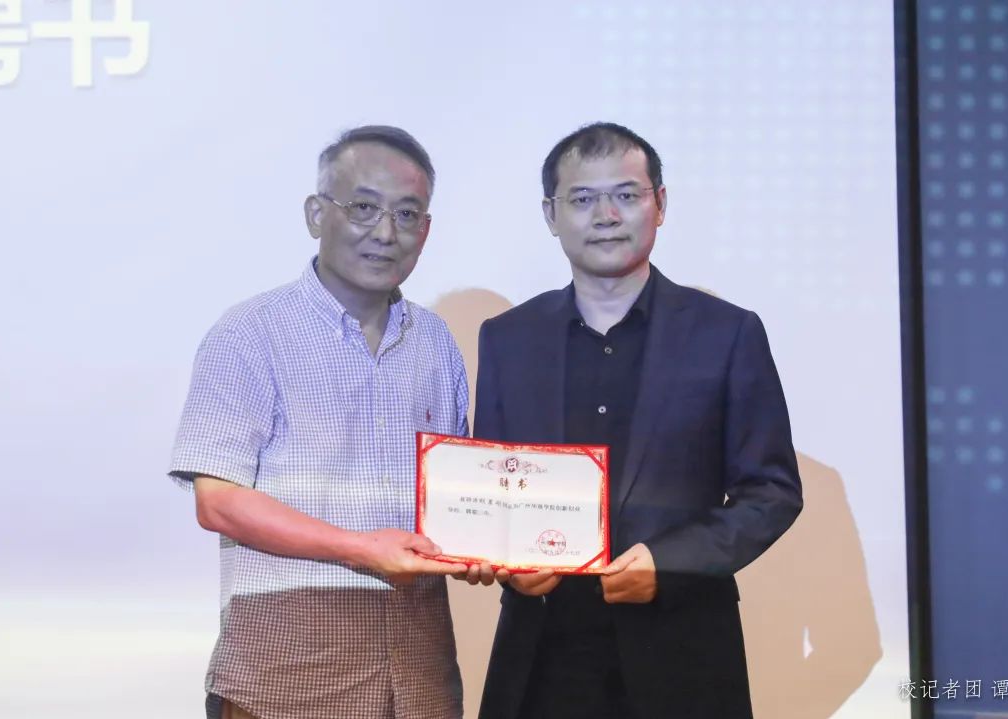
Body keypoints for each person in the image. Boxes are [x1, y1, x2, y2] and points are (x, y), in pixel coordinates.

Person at [469, 122, 803, 719]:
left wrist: (669, 565)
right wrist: (507, 562)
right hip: (541, 661)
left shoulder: (727, 334)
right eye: (582, 198)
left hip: (684, 659)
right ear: (550, 214)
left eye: (626, 195)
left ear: (660, 204)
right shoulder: (507, 338)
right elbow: (491, 489)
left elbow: (771, 492)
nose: (606, 216)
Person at [168, 125, 467, 719]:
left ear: (426, 230)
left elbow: (457, 499)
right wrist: (359, 549)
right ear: (315, 214)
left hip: (420, 676)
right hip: (287, 677)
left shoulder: (436, 343)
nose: (386, 233)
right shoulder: (249, 333)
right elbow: (218, 502)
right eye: (364, 208)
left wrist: (505, 549)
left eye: (407, 214)